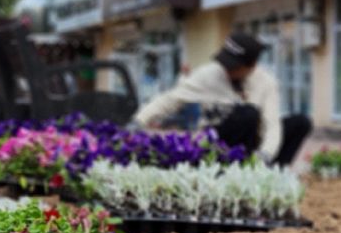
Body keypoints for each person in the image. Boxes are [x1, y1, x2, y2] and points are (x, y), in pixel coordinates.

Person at [132, 26, 309, 166]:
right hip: (217, 142)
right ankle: (230, 167)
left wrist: (266, 155)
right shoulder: (209, 74)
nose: (227, 70)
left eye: (234, 67)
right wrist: (139, 121)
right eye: (225, 64)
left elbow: (272, 125)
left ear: (252, 65)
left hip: (253, 142)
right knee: (247, 113)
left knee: (300, 122)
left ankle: (271, 174)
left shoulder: (266, 83)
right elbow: (171, 99)